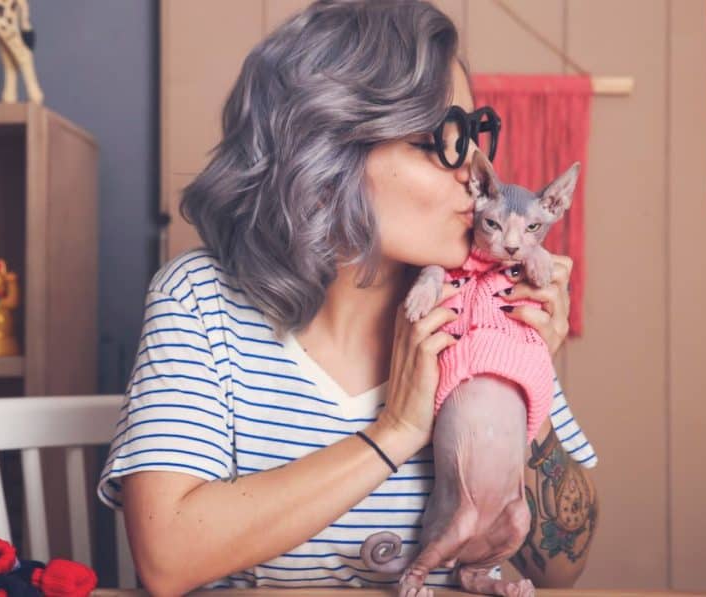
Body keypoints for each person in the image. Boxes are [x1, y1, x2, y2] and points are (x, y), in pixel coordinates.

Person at [97, 1, 599, 594]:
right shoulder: (201, 301)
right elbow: (167, 559)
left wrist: (524, 371)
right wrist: (394, 432)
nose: (473, 174)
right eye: (440, 141)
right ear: (324, 151)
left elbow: (565, 567)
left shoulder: (481, 299)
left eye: (471, 140)